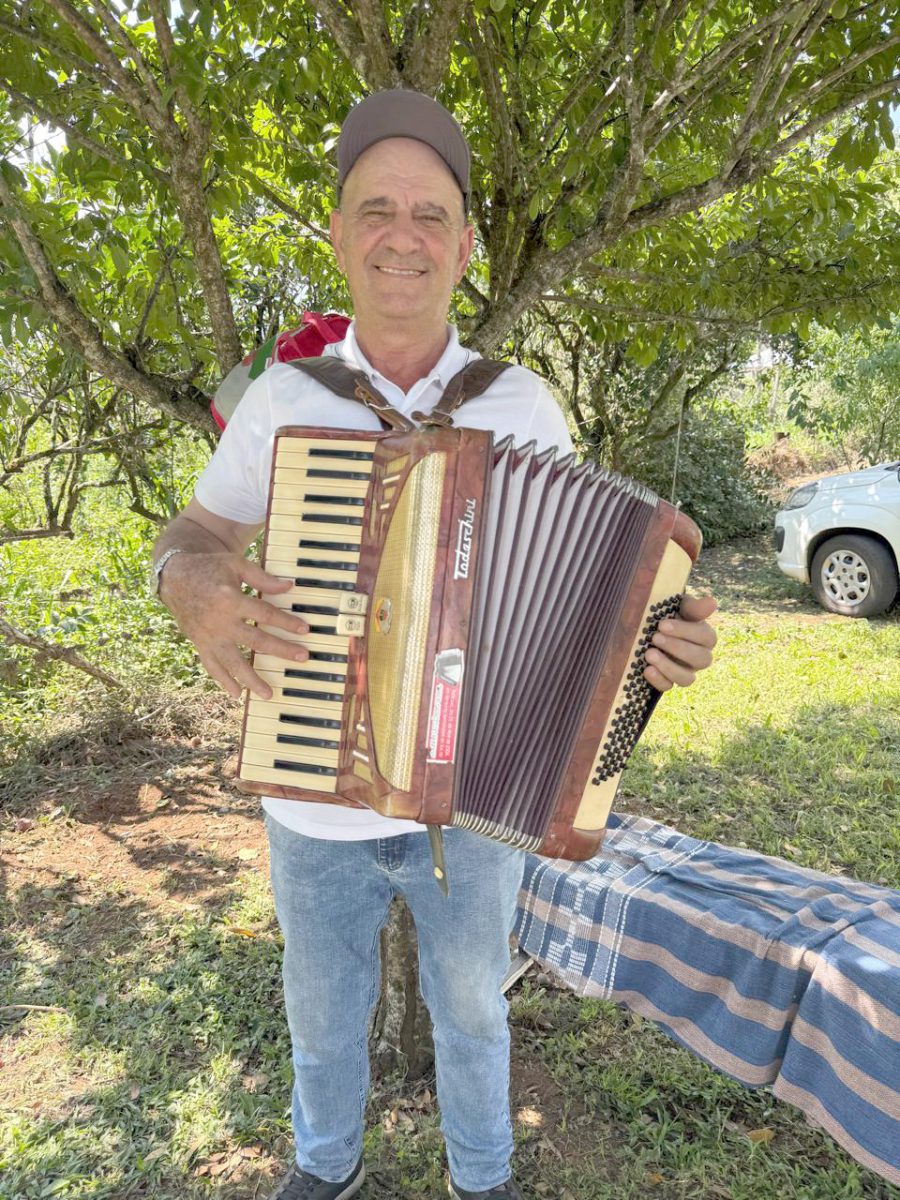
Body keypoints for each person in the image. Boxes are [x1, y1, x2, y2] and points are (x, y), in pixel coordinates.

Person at [152, 89, 717, 1200]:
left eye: (427, 213)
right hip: (311, 807)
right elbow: (198, 530)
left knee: (472, 1009)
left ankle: (485, 1178)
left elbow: (594, 607)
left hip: (475, 805)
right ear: (338, 232)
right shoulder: (282, 398)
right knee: (320, 1017)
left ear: (463, 245)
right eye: (375, 209)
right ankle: (324, 1173)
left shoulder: (522, 406)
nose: (400, 235)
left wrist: (661, 645)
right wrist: (186, 578)